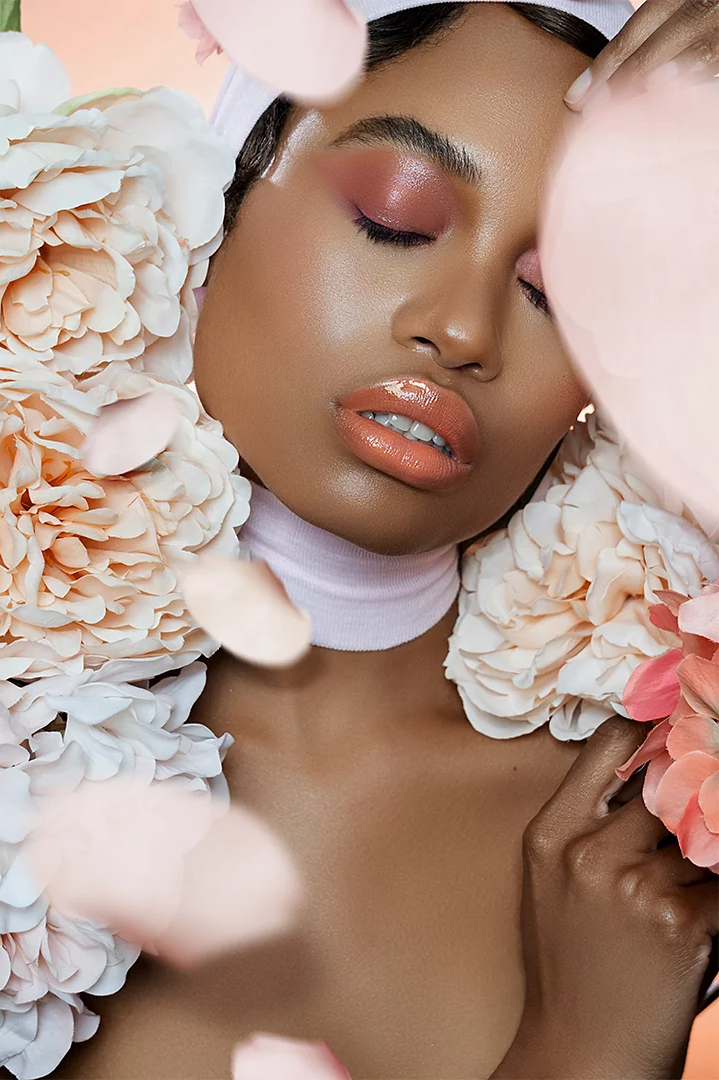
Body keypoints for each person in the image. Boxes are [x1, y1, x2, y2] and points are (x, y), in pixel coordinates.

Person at [52, 3, 718, 1078]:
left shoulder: (637, 814)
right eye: (397, 221)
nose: (461, 329)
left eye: (562, 289)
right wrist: (581, 1053)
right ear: (214, 199)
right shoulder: (15, 743)